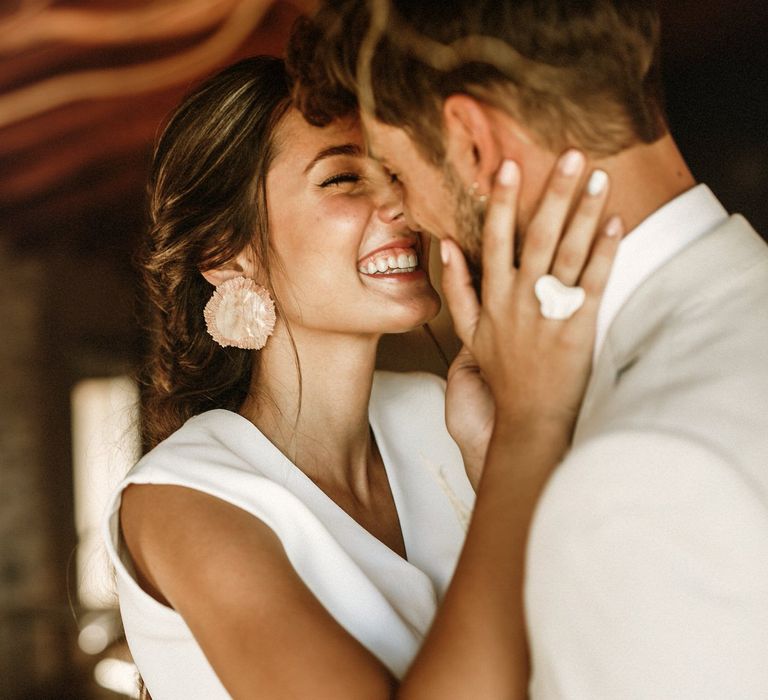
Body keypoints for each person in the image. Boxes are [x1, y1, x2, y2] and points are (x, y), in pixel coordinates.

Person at [287, 1, 768, 697]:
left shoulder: (641, 478)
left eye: (396, 172)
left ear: (473, 144)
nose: (407, 214)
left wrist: (530, 435)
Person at [102, 55, 620, 698]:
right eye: (344, 177)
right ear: (225, 250)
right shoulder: (183, 500)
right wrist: (531, 436)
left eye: (399, 173)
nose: (403, 205)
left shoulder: (443, 418)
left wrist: (497, 459)